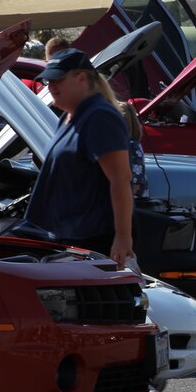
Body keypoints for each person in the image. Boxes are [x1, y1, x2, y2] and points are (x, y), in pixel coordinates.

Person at [25, 48, 134, 268]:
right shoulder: (69, 115)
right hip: (70, 238)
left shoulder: (99, 116)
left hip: (94, 240)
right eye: (48, 81)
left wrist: (123, 237)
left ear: (82, 78)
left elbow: (121, 180)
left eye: (58, 79)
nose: (51, 86)